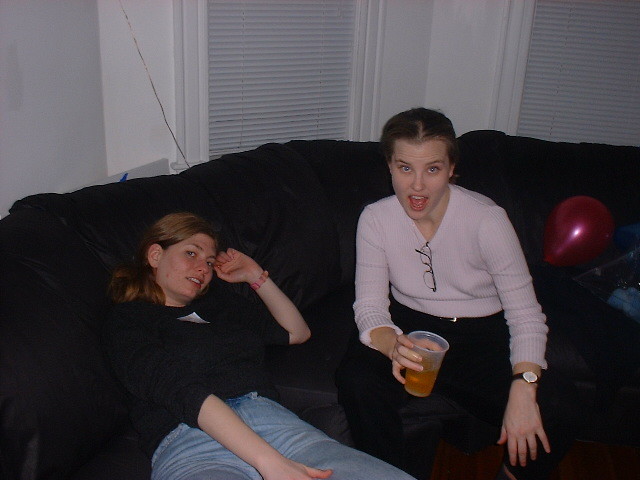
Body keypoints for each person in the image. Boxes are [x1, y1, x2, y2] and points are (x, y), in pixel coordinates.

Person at [335, 108, 583, 480]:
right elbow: (370, 305)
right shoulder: (375, 218)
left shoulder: (487, 220)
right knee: (357, 381)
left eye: (432, 169)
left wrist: (524, 386)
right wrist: (392, 344)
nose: (417, 186)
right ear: (389, 166)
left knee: (561, 407)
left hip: (479, 333)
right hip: (408, 326)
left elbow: (526, 315)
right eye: (405, 168)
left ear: (452, 169)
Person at [103, 212, 416, 480]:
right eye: (191, 253)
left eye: (209, 261)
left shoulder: (218, 305)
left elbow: (296, 332)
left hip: (277, 427)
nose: (203, 268)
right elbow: (180, 391)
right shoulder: (128, 320)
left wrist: (255, 276)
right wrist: (270, 462)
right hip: (191, 442)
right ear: (155, 255)